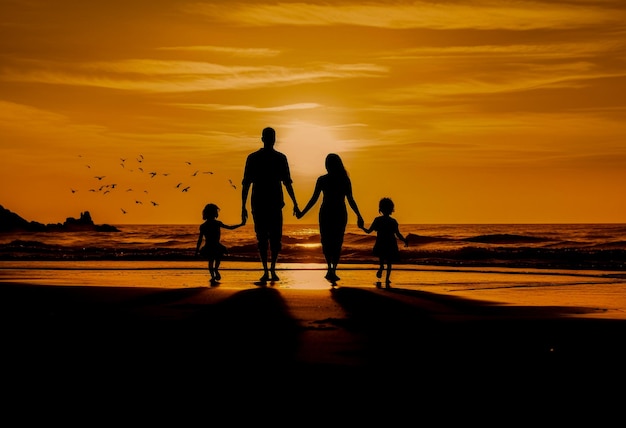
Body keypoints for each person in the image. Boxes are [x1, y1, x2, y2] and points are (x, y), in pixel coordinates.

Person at [241, 127, 299, 283]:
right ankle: (269, 270)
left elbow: (287, 182)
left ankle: (269, 270)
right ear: (269, 139)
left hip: (269, 203)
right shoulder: (259, 158)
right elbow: (246, 183)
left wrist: (295, 203)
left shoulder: (272, 158)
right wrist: (243, 207)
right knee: (268, 238)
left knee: (270, 238)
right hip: (264, 203)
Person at [296, 153, 364, 283]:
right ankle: (332, 269)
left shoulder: (330, 180)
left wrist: (302, 213)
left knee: (328, 241)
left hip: (329, 212)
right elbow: (349, 200)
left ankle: (331, 269)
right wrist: (359, 215)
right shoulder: (340, 179)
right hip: (336, 212)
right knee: (335, 241)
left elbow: (314, 199)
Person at [359, 197, 408, 287]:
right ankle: (387, 278)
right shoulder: (393, 221)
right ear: (391, 209)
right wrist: (404, 240)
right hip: (390, 243)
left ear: (380, 209)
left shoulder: (378, 220)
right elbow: (398, 234)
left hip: (381, 242)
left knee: (382, 258)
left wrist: (362, 227)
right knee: (389, 262)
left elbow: (369, 231)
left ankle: (381, 268)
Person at [195, 203, 245, 285]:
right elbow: (230, 228)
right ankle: (215, 271)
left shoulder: (204, 225)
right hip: (215, 245)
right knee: (216, 259)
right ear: (215, 213)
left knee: (211, 261)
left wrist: (196, 251)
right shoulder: (216, 223)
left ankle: (213, 274)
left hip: (210, 245)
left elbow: (200, 240)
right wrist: (241, 224)